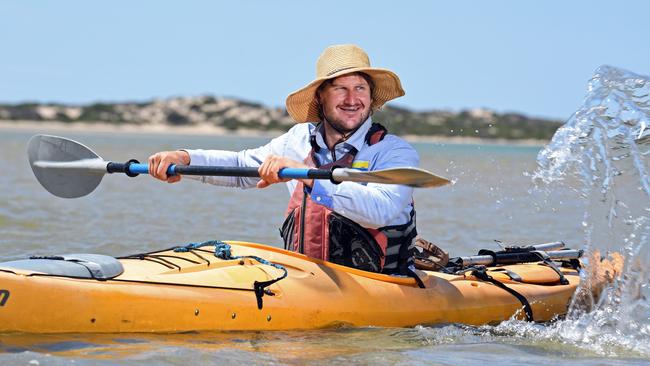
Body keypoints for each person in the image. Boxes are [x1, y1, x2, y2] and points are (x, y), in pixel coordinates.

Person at [148, 44, 420, 276]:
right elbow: (243, 168)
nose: (352, 99)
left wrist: (305, 174)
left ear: (371, 97)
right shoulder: (298, 140)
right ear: (320, 96)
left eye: (360, 88)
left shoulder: (394, 153)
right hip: (309, 277)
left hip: (383, 282)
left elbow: (380, 211)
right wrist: (184, 158)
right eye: (340, 89)